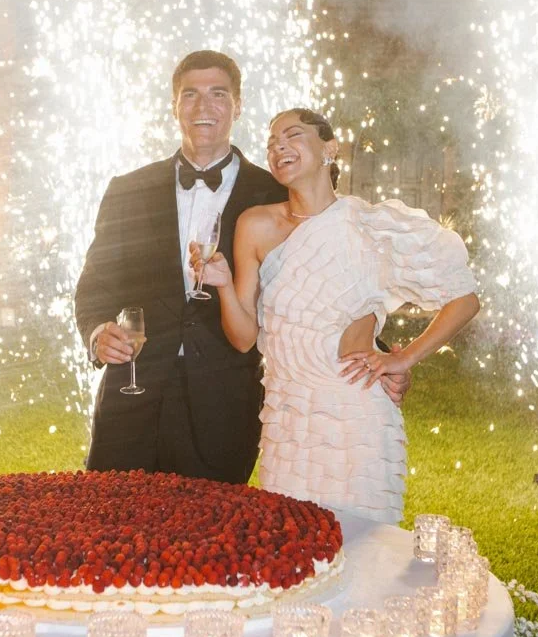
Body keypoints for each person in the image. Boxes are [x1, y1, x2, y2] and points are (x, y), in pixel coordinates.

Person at [74, 52, 407, 484]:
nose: (203, 106)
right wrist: (98, 333)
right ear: (174, 105)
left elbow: (333, 279)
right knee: (109, 530)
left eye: (218, 94)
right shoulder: (127, 190)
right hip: (131, 398)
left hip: (223, 406)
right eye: (190, 94)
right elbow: (95, 285)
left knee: (212, 542)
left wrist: (381, 354)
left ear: (237, 105)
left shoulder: (276, 192)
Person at [192, 107, 480, 521]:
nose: (279, 147)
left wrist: (403, 358)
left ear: (330, 148)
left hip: (356, 415)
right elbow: (243, 338)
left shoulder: (370, 224)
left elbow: (463, 298)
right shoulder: (255, 225)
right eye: (272, 143)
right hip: (287, 415)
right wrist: (221, 284)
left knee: (364, 555)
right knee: (291, 554)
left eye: (292, 135)